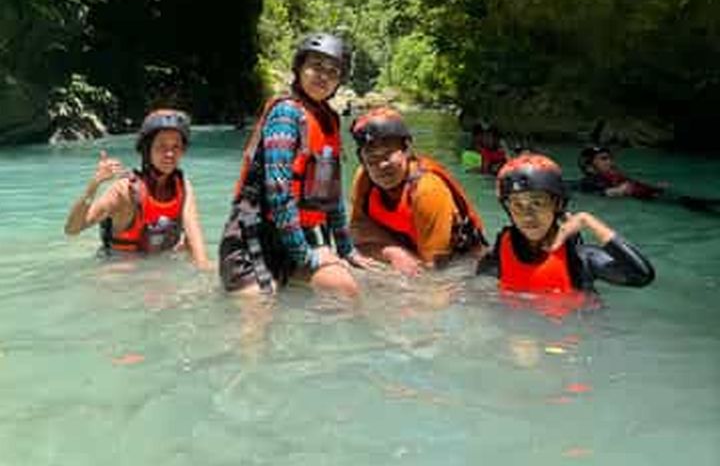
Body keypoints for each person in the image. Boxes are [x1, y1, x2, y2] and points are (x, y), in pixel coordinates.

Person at [218, 32, 372, 297]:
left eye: (333, 72)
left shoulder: (330, 120)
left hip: (297, 239)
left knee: (346, 288)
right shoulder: (286, 114)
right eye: (315, 66)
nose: (323, 76)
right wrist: (307, 257)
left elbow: (331, 194)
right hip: (252, 240)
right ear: (299, 68)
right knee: (260, 311)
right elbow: (279, 192)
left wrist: (346, 250)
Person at [477, 153, 654, 298]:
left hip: (574, 337)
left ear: (557, 205)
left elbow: (641, 276)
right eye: (517, 205)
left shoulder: (580, 258)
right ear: (508, 209)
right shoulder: (500, 253)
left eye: (537, 203)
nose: (527, 215)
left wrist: (588, 220)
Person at [349, 107, 487, 276]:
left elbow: (432, 273)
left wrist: (388, 250)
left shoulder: (427, 190)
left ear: (406, 150)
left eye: (388, 154)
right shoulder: (365, 177)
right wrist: (393, 252)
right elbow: (357, 231)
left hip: (458, 268)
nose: (381, 165)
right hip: (409, 251)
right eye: (372, 157)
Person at [64, 108, 210, 266]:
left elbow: (196, 243)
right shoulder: (125, 191)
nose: (170, 154)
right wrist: (94, 185)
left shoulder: (182, 186)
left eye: (176, 147)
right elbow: (72, 229)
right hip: (121, 269)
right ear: (147, 149)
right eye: (162, 146)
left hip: (160, 266)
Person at [577, 144, 720, 213]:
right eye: (603, 159)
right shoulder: (590, 181)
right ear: (590, 166)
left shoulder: (615, 174)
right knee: (691, 203)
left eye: (610, 158)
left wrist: (655, 186)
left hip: (655, 195)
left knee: (692, 201)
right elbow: (600, 194)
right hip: (654, 200)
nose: (610, 162)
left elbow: (632, 185)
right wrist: (615, 192)